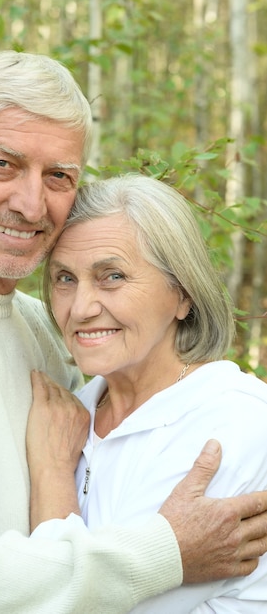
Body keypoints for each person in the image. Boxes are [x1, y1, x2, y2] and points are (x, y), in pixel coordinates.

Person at [0, 52, 266, 614]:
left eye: (58, 177)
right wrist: (166, 549)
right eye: (3, 164)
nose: (29, 203)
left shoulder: (44, 329)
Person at [32, 172, 267, 612]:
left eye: (112, 276)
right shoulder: (72, 413)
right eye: (65, 278)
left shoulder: (236, 425)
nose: (80, 308)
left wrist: (50, 478)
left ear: (182, 294)